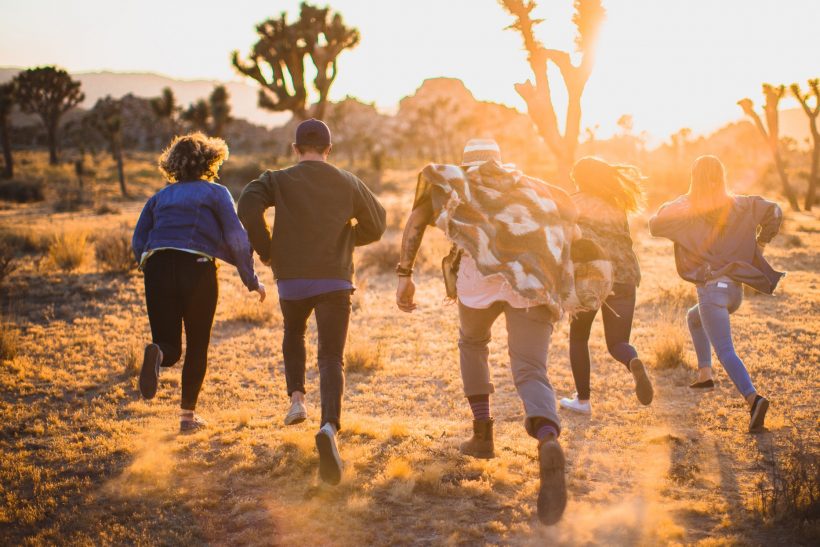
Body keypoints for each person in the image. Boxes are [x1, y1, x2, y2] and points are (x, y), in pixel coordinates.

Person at [396, 139, 578, 525]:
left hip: (477, 282)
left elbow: (415, 222)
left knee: (473, 344)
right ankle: (547, 435)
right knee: (530, 368)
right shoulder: (529, 185)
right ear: (499, 160)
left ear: (466, 163)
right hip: (529, 280)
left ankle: (482, 435)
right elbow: (568, 208)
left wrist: (404, 274)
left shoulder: (456, 183)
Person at [237, 119, 386, 485]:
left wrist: (268, 248)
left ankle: (297, 401)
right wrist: (348, 237)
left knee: (294, 332)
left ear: (295, 149)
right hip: (335, 277)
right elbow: (378, 223)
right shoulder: (348, 181)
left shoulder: (277, 179)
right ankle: (329, 427)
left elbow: (246, 206)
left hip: (292, 279)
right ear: (329, 150)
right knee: (331, 355)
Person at [132, 132, 265, 433]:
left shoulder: (159, 197)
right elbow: (236, 237)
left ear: (173, 163)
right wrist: (251, 279)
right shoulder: (216, 193)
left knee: (169, 345)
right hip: (197, 267)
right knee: (196, 346)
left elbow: (139, 239)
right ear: (210, 160)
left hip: (158, 265)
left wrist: (149, 265)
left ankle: (158, 353)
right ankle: (187, 418)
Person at [649, 155, 783, 432]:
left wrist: (682, 199)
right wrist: (761, 243)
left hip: (711, 290)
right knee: (693, 318)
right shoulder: (740, 203)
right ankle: (705, 374)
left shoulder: (687, 207)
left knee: (725, 349)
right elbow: (776, 211)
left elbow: (655, 223)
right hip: (734, 291)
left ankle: (753, 399)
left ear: (693, 179)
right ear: (721, 176)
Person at [559, 157, 654, 415]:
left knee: (579, 337)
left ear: (580, 179)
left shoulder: (574, 203)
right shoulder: (616, 205)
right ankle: (631, 359)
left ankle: (583, 400)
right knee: (618, 342)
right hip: (625, 275)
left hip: (591, 276)